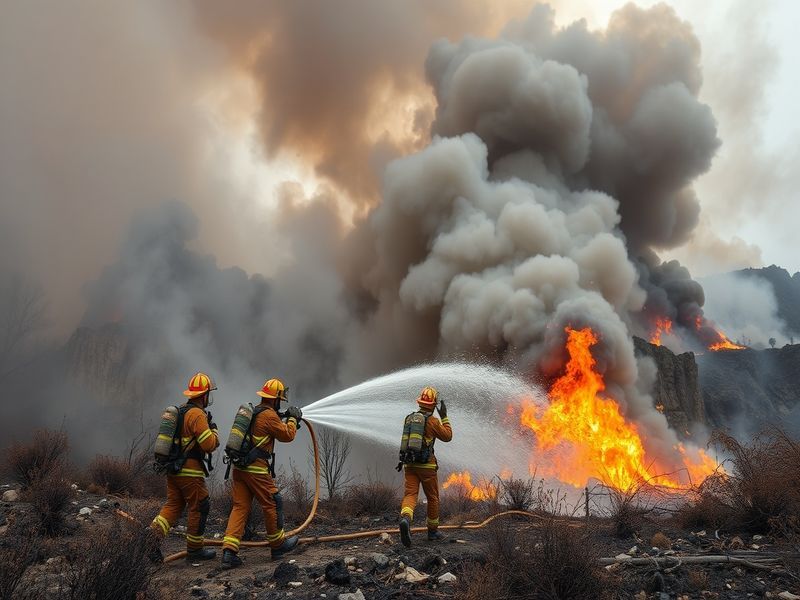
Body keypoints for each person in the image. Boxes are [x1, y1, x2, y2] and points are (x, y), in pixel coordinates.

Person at [221, 377, 303, 568]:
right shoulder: (268, 416)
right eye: (279, 400)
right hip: (255, 469)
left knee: (240, 508)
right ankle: (278, 545)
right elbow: (287, 435)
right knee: (273, 502)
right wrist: (292, 419)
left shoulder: (256, 412)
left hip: (239, 469)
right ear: (275, 399)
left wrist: (284, 418)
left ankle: (228, 553)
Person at [151, 372, 220, 562]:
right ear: (204, 395)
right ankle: (195, 550)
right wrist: (214, 430)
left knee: (174, 505)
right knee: (200, 505)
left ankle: (152, 538)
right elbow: (208, 444)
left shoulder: (181, 411)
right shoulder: (197, 414)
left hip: (174, 469)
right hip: (190, 471)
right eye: (208, 394)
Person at [398, 386, 452, 547]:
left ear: (420, 402)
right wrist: (444, 417)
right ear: (433, 404)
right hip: (427, 466)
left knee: (410, 495)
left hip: (409, 464)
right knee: (432, 498)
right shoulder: (433, 421)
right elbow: (448, 436)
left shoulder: (409, 419)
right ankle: (433, 532)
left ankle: (405, 519)